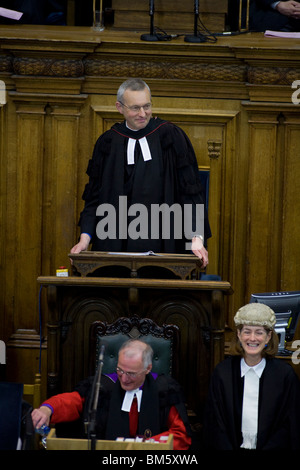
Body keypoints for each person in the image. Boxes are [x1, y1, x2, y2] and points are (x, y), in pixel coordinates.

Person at [71, 78, 211, 268]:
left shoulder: (171, 137)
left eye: (147, 106)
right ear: (119, 107)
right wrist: (85, 240)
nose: (143, 113)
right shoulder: (108, 143)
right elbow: (94, 198)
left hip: (166, 246)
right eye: (135, 108)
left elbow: (191, 193)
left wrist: (196, 239)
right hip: (115, 244)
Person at [31, 339, 192, 450]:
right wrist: (47, 409)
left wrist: (144, 445)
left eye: (131, 373)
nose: (124, 378)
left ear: (148, 368)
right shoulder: (103, 386)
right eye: (120, 370)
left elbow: (181, 435)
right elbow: (72, 401)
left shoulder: (163, 390)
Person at [203, 303, 300, 450]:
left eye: (259, 332)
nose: (252, 338)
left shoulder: (284, 376)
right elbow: (215, 423)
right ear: (238, 335)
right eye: (247, 332)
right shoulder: (223, 373)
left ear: (268, 337)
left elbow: (288, 424)